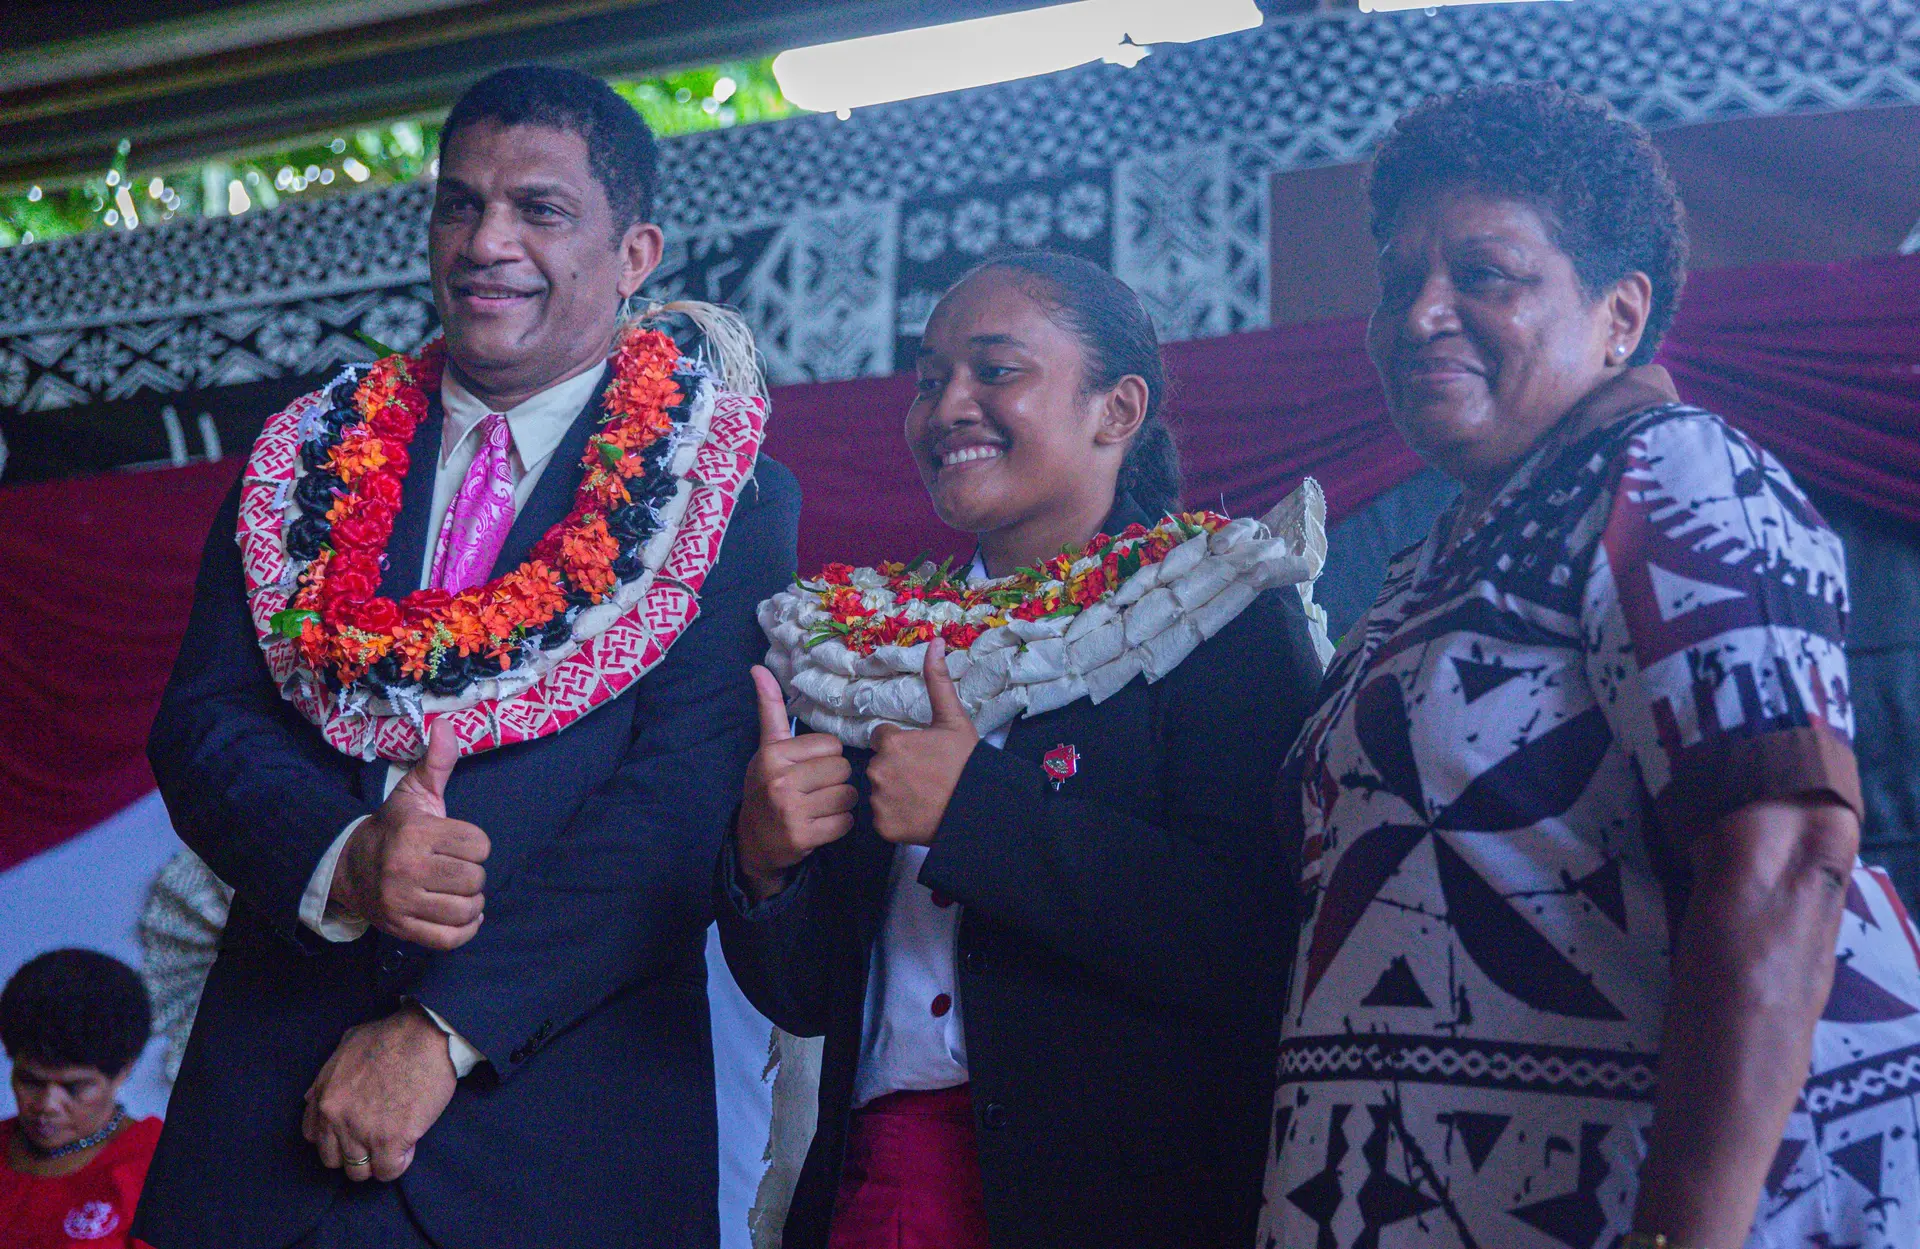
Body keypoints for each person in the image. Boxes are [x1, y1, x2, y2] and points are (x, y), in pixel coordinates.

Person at [132, 66, 800, 1249]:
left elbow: (678, 804)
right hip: (263, 1151)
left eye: (539, 210)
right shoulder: (303, 459)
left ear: (634, 251)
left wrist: (441, 1033)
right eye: (459, 204)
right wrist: (343, 860)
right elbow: (205, 726)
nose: (487, 242)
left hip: (552, 1151)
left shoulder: (724, 487)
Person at [1258, 82, 1920, 1249]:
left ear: (1620, 317)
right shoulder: (1431, 561)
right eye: (1399, 278)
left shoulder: (1669, 472)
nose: (1422, 314)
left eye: (1485, 274)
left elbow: (1783, 858)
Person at [719, 252, 1326, 1249]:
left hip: (1134, 1200)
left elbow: (1262, 939)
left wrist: (980, 814)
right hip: (882, 1192)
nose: (948, 405)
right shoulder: (865, 650)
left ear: (1118, 408)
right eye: (929, 378)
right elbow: (801, 995)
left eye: (995, 370)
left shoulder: (1222, 607)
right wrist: (765, 865)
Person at [1, 949, 163, 1249]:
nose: (47, 1105)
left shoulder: (157, 1167)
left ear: (122, 1072)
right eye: (31, 1081)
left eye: (74, 1088)